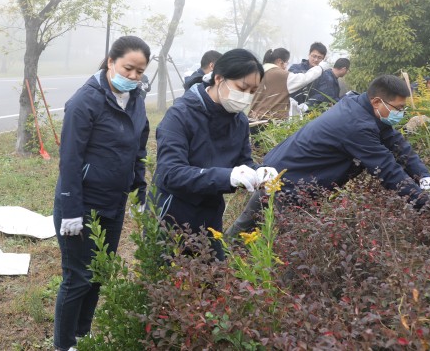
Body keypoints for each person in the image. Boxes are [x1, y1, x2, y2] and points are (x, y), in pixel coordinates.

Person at [228, 75, 430, 235]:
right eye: (398, 108)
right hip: (289, 182)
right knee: (294, 244)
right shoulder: (357, 125)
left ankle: (221, 264)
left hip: (282, 170)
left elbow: (397, 144)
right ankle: (224, 268)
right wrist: (427, 206)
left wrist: (425, 177)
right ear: (377, 102)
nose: (401, 113)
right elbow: (387, 170)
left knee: (244, 228)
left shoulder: (361, 106)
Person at [53, 35, 151, 351]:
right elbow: (70, 160)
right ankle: (64, 344)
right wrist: (71, 210)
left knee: (99, 273)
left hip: (114, 202)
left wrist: (138, 189)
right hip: (82, 203)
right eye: (127, 68)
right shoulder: (85, 101)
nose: (133, 76)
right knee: (77, 277)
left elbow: (138, 149)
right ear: (110, 62)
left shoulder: (135, 99)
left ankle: (82, 336)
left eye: (139, 71)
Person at [152, 49, 277, 260]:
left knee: (212, 274)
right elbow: (170, 173)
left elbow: (242, 161)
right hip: (172, 213)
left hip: (210, 214)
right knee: (170, 274)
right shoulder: (180, 115)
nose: (246, 97)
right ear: (219, 78)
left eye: (252, 91)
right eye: (242, 88)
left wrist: (259, 172)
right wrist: (227, 177)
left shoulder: (239, 121)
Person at [249, 47, 329, 122]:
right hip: (268, 121)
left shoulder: (259, 72)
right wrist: (320, 68)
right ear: (280, 61)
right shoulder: (279, 74)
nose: (286, 67)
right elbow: (304, 79)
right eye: (286, 62)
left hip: (253, 118)